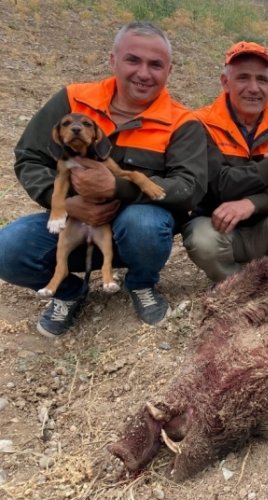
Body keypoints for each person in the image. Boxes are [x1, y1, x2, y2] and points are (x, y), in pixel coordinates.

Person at [0, 21, 208, 337]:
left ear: (169, 70)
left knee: (145, 224)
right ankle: (69, 291)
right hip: (73, 222)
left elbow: (190, 188)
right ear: (113, 60)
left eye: (155, 65)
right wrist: (67, 204)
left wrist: (118, 187)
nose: (143, 72)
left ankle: (141, 282)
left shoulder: (183, 122)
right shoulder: (73, 99)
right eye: (133, 60)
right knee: (8, 249)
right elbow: (29, 157)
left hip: (134, 232)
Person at [181, 41, 268, 282]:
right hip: (219, 226)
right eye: (243, 78)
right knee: (201, 238)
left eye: (262, 80)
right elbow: (217, 186)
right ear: (225, 82)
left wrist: (253, 203)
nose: (253, 88)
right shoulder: (199, 123)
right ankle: (233, 282)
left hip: (267, 223)